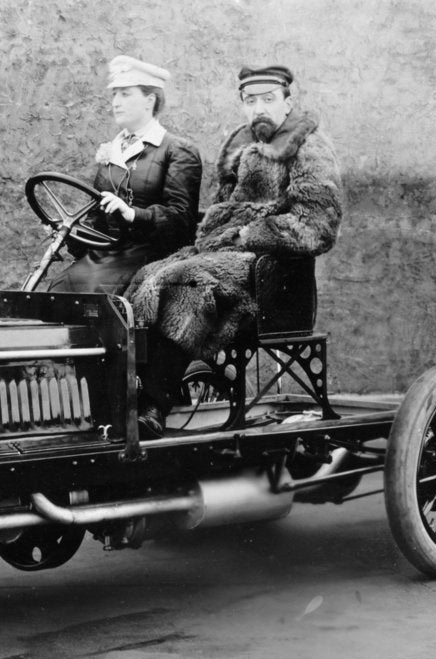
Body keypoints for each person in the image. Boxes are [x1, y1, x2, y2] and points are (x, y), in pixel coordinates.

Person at [128, 64, 344, 439]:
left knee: (189, 282)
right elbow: (218, 214)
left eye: (268, 99)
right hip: (228, 257)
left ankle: (152, 406)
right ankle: (131, 390)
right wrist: (217, 237)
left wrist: (249, 235)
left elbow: (317, 227)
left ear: (288, 103)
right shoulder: (239, 149)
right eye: (250, 100)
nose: (259, 108)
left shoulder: (308, 147)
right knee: (148, 275)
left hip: (275, 279)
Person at [47, 55, 202, 295]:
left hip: (152, 255)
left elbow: (181, 220)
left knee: (93, 292)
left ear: (149, 100)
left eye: (125, 94)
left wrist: (132, 214)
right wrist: (68, 232)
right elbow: (96, 221)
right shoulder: (113, 150)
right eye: (114, 95)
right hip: (108, 254)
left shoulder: (177, 150)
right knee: (59, 287)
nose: (115, 102)